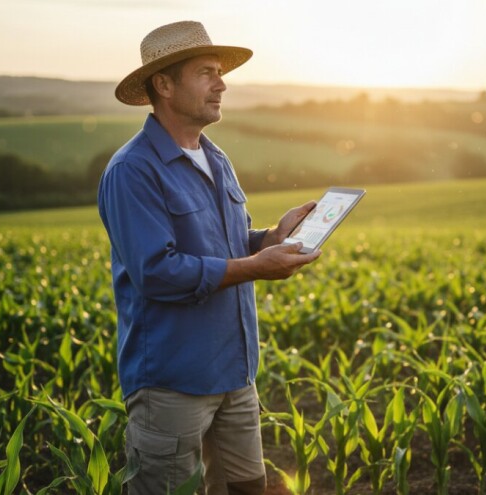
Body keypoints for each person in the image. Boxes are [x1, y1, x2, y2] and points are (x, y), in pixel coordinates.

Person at [97, 20, 321, 494]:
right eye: (206, 73)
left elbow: (226, 242)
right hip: (172, 383)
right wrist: (256, 268)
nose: (222, 84)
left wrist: (268, 238)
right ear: (164, 85)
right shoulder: (132, 170)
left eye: (220, 72)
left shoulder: (216, 158)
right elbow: (158, 272)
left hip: (236, 374)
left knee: (247, 488)